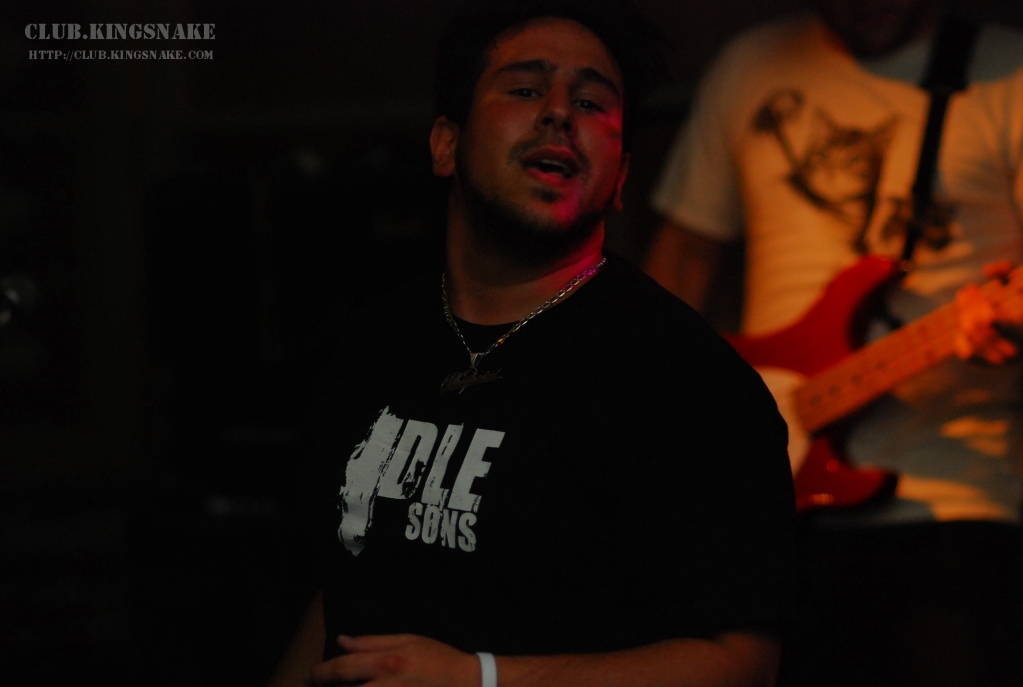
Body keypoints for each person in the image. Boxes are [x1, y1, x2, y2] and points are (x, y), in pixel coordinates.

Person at [266, 1, 796, 686]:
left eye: (591, 102)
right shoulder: (376, 344)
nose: (559, 114)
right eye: (525, 89)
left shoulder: (685, 379)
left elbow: (741, 663)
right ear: (445, 144)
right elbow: (345, 584)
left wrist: (482, 678)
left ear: (621, 176)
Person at [646, 1, 1023, 685]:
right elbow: (684, 261)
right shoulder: (753, 63)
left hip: (955, 494)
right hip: (765, 501)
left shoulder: (1011, 72)